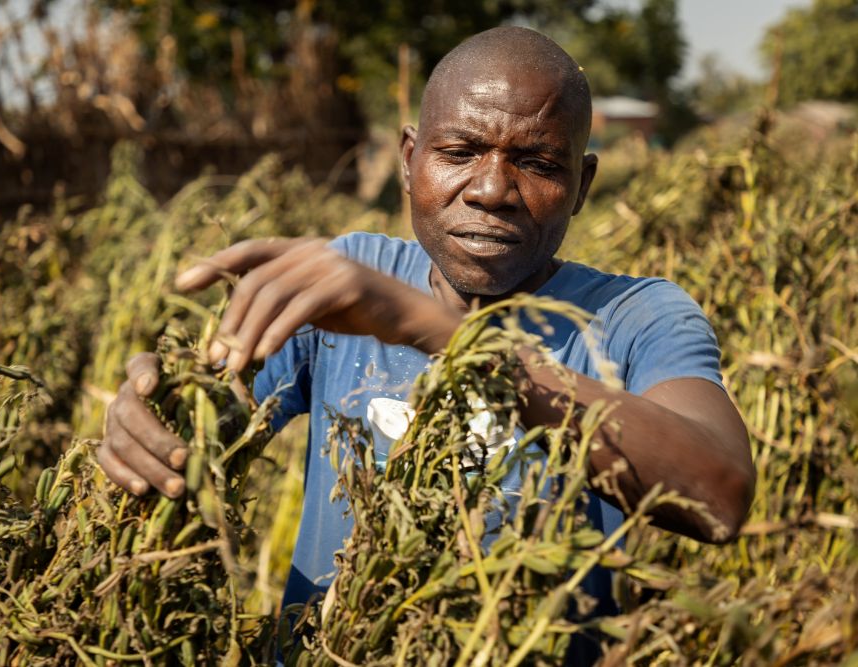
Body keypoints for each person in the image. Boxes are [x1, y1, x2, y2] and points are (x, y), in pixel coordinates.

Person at [97, 24, 755, 650]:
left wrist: (440, 333)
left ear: (581, 185)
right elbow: (206, 430)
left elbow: (719, 497)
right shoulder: (348, 276)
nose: (493, 189)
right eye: (460, 153)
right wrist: (159, 414)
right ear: (411, 159)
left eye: (537, 163)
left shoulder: (636, 315)